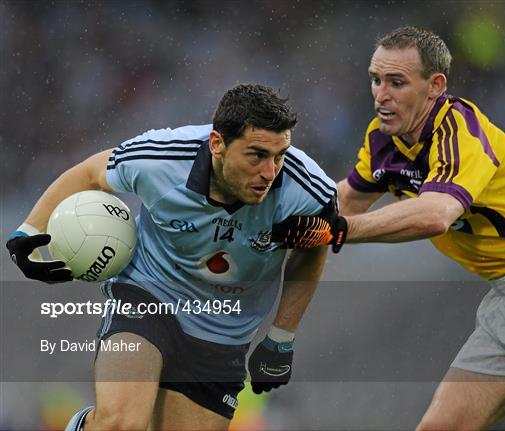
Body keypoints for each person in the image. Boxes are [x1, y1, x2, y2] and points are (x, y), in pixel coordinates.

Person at [6, 84, 336, 430]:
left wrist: (281, 338)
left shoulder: (308, 190)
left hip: (224, 329)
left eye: (280, 155)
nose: (270, 172)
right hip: (149, 297)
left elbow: (313, 250)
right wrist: (27, 232)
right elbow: (89, 173)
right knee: (120, 423)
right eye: (256, 155)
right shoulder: (159, 159)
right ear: (217, 144)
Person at [271, 27, 505, 430]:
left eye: (397, 82)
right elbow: (340, 201)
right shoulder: (384, 140)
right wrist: (260, 224)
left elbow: (435, 214)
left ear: (435, 86)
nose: (382, 94)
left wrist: (335, 230)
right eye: (376, 80)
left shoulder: (460, 131)